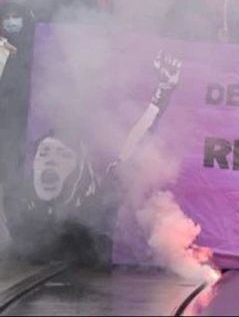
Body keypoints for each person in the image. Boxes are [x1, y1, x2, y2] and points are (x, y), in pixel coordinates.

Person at [4, 53, 181, 266]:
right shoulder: (18, 201)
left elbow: (134, 143)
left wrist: (163, 92)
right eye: (44, 153)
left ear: (78, 169)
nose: (50, 161)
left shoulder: (94, 199)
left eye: (63, 156)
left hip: (84, 276)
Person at [0, 0, 35, 189]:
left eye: (16, 17)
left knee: (18, 165)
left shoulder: (34, 45)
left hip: (24, 117)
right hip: (3, 117)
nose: (11, 22)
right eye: (7, 18)